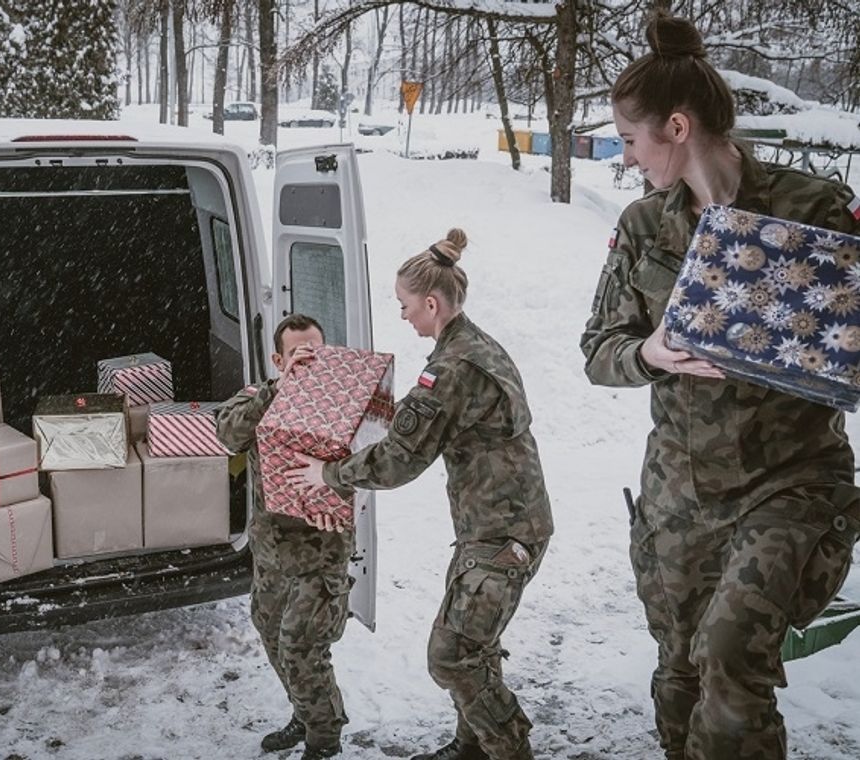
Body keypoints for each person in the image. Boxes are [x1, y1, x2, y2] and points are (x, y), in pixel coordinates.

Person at [580, 12, 860, 760]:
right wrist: (653, 353)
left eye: (632, 140)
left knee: (731, 658)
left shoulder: (815, 208)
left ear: (676, 126)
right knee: (678, 671)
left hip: (791, 480)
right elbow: (598, 349)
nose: (627, 156)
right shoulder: (644, 227)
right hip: (682, 489)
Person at [285, 229, 553, 760]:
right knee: (475, 645)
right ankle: (472, 747)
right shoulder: (473, 345)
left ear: (432, 304)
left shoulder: (452, 370)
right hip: (493, 526)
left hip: (504, 533)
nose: (403, 316)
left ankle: (511, 750)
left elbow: (398, 460)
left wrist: (330, 474)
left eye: (406, 306)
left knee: (453, 655)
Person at [215, 313, 353, 760]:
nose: (309, 358)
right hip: (272, 553)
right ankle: (304, 713)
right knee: (273, 634)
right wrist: (278, 391)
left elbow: (374, 459)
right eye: (298, 352)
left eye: (316, 349)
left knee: (302, 646)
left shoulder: (342, 403)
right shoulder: (260, 396)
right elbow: (227, 434)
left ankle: (323, 739)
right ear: (278, 358)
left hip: (320, 553)